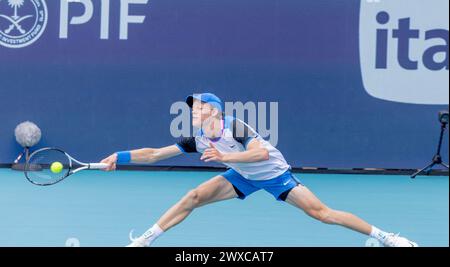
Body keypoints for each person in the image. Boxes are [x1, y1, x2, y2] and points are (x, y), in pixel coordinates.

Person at [100, 93, 418, 247]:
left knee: (322, 214)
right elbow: (155, 154)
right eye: (191, 107)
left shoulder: (233, 127)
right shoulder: (197, 138)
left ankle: (386, 237)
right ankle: (144, 241)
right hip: (242, 177)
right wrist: (120, 156)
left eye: (197, 107)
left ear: (213, 110)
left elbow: (261, 152)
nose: (193, 111)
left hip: (274, 175)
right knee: (193, 196)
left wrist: (225, 156)